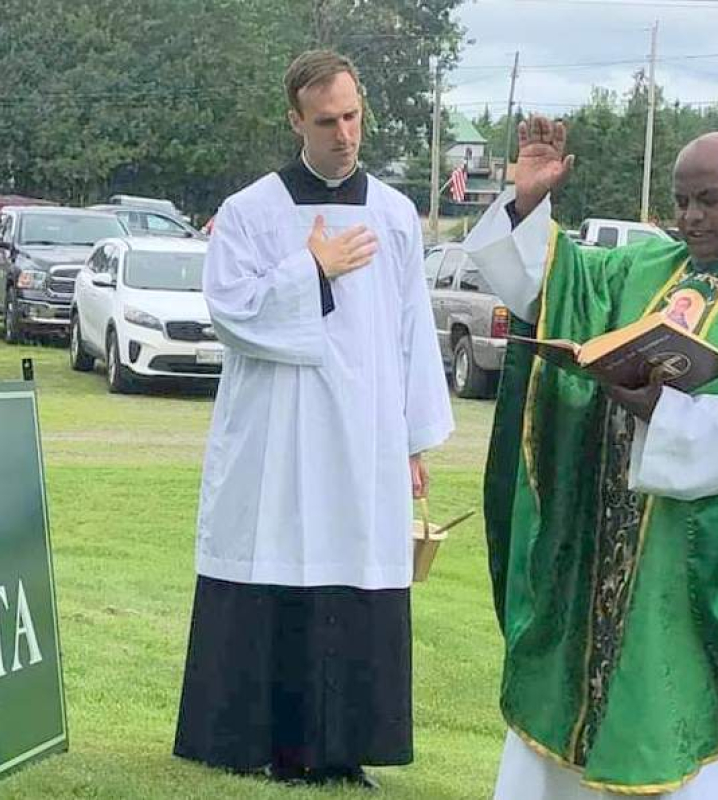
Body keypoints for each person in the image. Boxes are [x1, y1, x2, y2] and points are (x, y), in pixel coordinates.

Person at [464, 117, 718, 798]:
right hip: (605, 561)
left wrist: (665, 411)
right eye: (680, 200)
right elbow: (553, 288)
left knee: (689, 742)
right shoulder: (650, 266)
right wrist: (530, 202)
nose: (689, 216)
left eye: (708, 199)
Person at [173, 49, 454, 789]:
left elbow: (412, 331)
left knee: (352, 574)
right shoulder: (250, 212)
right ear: (295, 119)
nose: (345, 134)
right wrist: (312, 270)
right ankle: (259, 742)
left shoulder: (394, 215)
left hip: (363, 437)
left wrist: (414, 439)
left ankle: (342, 750)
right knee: (274, 560)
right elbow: (232, 314)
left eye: (353, 115)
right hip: (276, 432)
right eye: (327, 120)